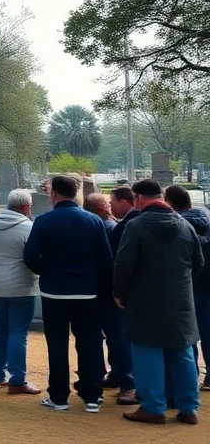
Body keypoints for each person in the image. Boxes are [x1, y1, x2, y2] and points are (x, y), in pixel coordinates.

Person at [115, 179, 204, 425]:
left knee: (147, 351)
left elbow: (123, 264)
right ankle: (188, 407)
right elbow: (198, 263)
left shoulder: (136, 226)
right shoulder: (185, 225)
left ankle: (153, 406)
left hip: (144, 299)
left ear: (139, 199)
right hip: (180, 298)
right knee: (182, 350)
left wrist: (119, 292)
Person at [23, 173, 113, 412]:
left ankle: (59, 396)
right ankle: (92, 395)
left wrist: (47, 271)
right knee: (90, 342)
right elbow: (106, 259)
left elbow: (30, 256)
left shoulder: (43, 221)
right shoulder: (93, 221)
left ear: (53, 194)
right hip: (87, 291)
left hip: (55, 291)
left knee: (57, 344)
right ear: (77, 194)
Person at [0, 188, 42, 394]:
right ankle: (17, 380)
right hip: (22, 285)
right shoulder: (29, 227)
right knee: (18, 332)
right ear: (26, 207)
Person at [164, 185, 210, 393]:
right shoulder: (205, 220)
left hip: (190, 286)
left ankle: (188, 379)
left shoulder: (177, 227)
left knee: (187, 337)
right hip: (206, 284)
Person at [101, 185, 139, 405]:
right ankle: (119, 373)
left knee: (120, 336)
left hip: (121, 292)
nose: (111, 206)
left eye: (113, 201)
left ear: (126, 201)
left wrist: (119, 290)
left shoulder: (128, 226)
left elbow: (121, 261)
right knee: (115, 336)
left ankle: (129, 382)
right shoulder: (124, 224)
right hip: (117, 290)